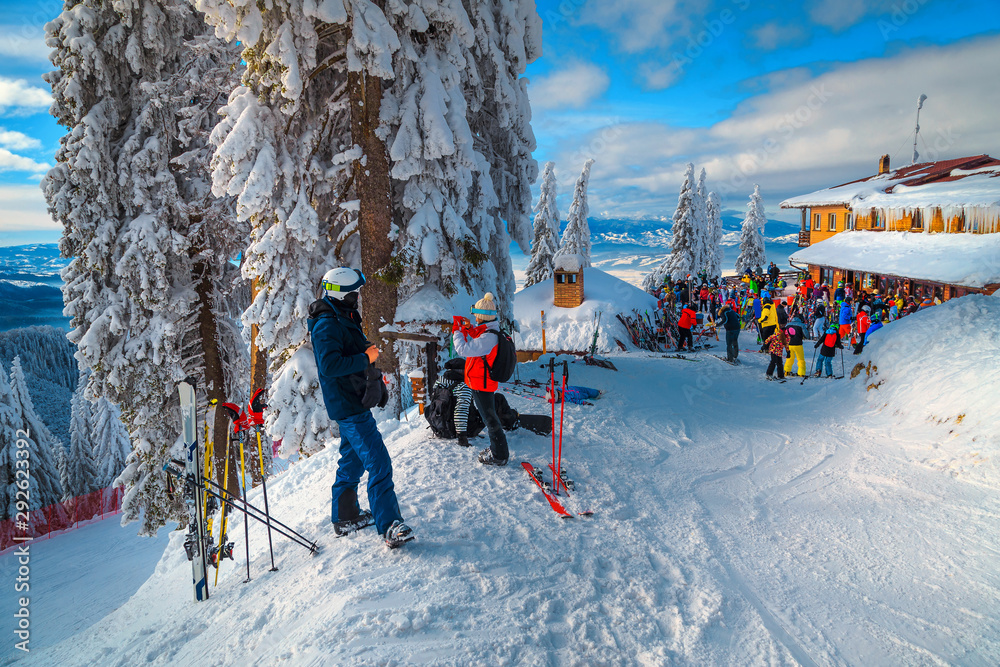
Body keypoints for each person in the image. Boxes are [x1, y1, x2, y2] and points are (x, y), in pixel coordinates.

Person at [309, 267, 412, 548]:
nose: (357, 297)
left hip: (352, 399)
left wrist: (367, 350)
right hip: (347, 404)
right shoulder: (326, 324)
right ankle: (390, 525)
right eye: (353, 293)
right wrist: (366, 358)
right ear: (340, 294)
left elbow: (349, 346)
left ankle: (345, 515)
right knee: (379, 462)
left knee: (352, 460)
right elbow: (330, 365)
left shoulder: (341, 314)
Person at [452, 292, 509, 466]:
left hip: (482, 384)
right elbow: (479, 335)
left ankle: (499, 455)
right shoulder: (490, 331)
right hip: (480, 382)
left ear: (482, 317)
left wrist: (457, 331)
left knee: (490, 420)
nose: (475, 318)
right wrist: (469, 329)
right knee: (489, 417)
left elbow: (463, 349)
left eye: (476, 316)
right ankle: (497, 450)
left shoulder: (488, 338)